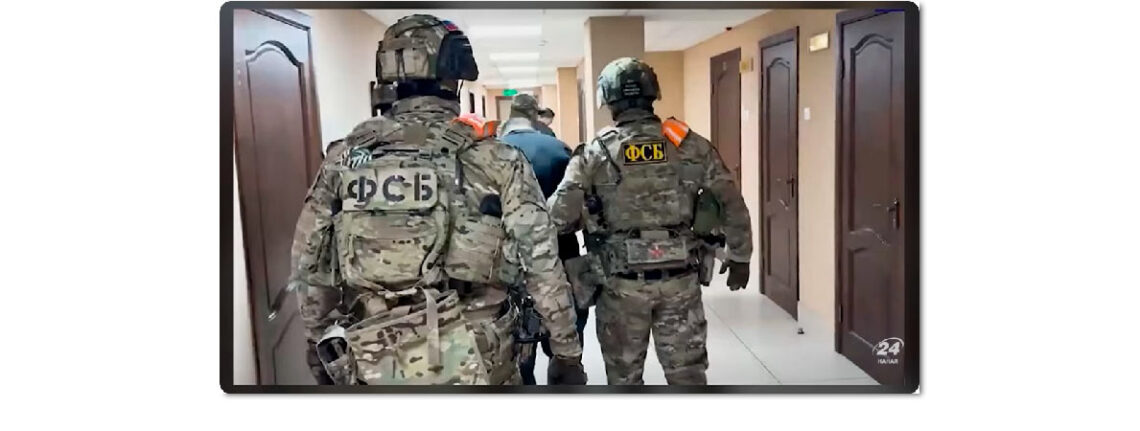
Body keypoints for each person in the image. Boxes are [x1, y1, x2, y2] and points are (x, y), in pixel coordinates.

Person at [289, 14, 585, 386]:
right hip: (480, 356)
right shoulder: (497, 159)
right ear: (453, 79)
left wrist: (318, 344)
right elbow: (542, 264)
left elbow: (309, 260)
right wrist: (566, 352)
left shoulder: (344, 159)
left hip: (376, 357)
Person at [546, 57, 753, 385]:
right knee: (688, 378)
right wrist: (741, 256)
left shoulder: (596, 152)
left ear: (608, 99)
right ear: (652, 93)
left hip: (621, 287)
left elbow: (558, 217)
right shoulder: (689, 144)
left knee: (624, 380)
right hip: (680, 281)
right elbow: (730, 200)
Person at [497, 97, 590, 385]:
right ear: (535, 117)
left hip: (510, 260)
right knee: (565, 330)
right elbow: (579, 204)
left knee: (517, 343)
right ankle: (562, 370)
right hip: (561, 253)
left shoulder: (493, 151)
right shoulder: (559, 148)